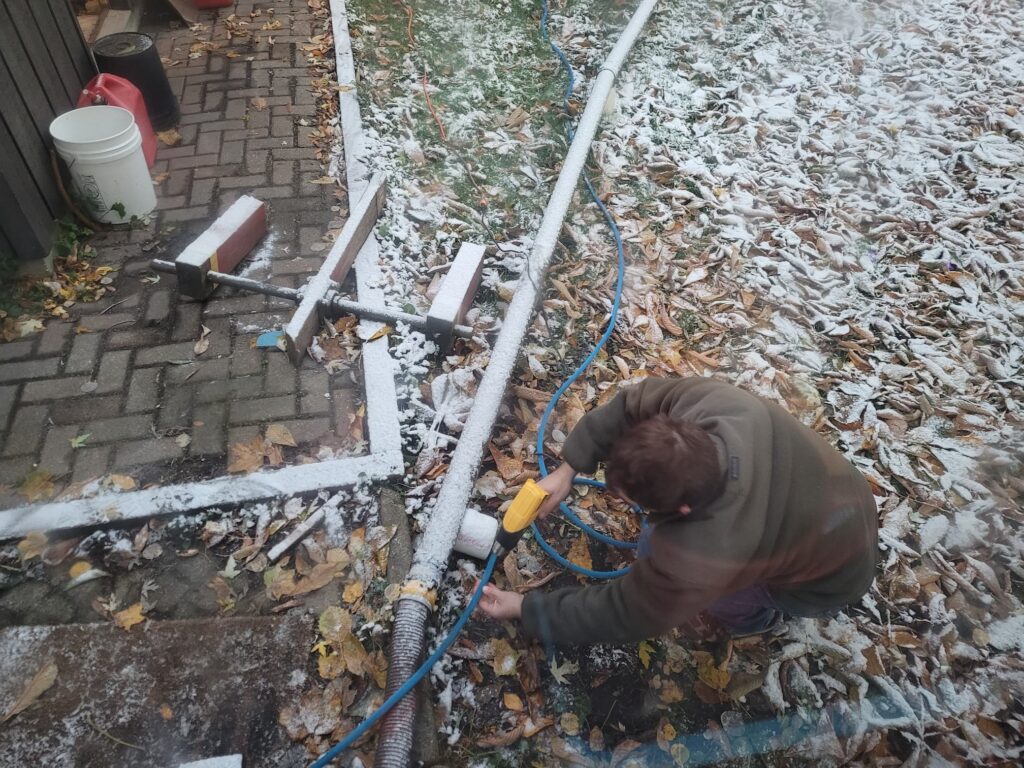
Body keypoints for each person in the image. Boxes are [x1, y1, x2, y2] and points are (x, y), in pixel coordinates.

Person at [476, 376, 879, 645]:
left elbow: (627, 612)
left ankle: (757, 624)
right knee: (658, 545)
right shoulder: (715, 405)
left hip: (828, 579)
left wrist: (526, 608)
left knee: (719, 597)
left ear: (685, 508)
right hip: (845, 502)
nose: (620, 502)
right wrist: (568, 468)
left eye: (632, 502)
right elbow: (632, 403)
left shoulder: (710, 550)